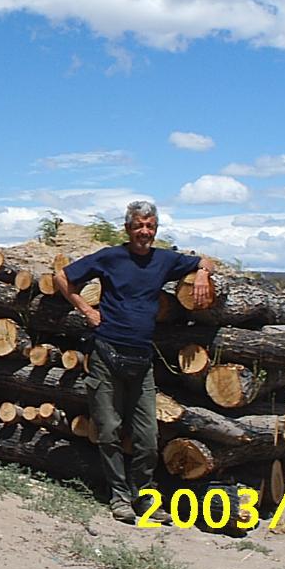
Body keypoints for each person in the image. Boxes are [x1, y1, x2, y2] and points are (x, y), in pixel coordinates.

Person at [55, 200, 215, 524]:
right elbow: (62, 277)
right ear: (128, 228)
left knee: (147, 436)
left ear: (156, 229)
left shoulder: (164, 260)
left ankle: (143, 496)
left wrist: (202, 273)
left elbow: (206, 260)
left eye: (150, 226)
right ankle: (119, 497)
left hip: (142, 360)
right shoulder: (110, 257)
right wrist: (87, 311)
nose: (144, 231)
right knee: (109, 429)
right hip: (106, 353)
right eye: (138, 225)